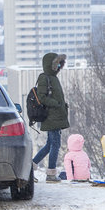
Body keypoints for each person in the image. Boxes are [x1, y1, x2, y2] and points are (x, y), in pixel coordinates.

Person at [32, 52, 69, 182]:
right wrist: (57, 104)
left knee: (49, 144)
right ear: (50, 65)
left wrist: (61, 106)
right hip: (51, 116)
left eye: (60, 63)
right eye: (56, 63)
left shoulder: (53, 78)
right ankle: (51, 174)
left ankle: (30, 167)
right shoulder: (45, 78)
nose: (59, 66)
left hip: (56, 116)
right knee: (55, 144)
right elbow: (42, 97)